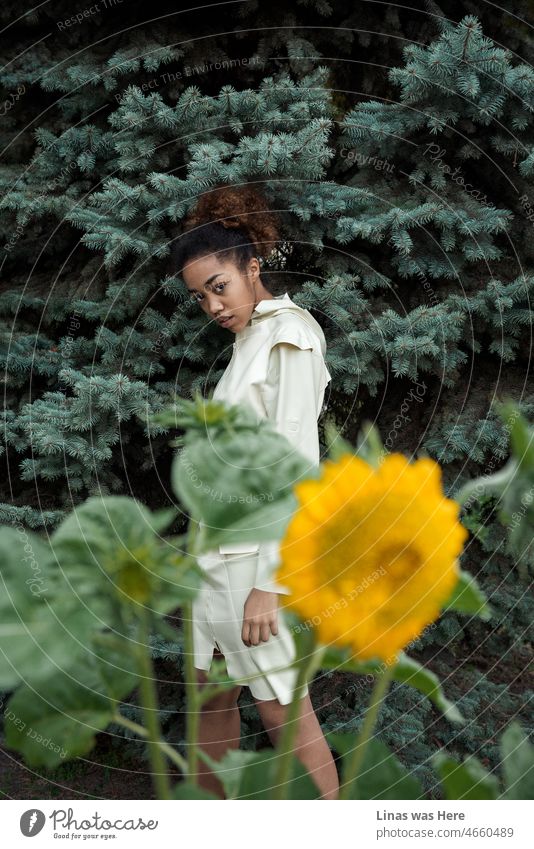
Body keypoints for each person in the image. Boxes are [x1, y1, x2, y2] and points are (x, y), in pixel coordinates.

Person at [171, 183, 339, 800]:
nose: (212, 306)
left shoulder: (288, 334)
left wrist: (271, 583)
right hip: (214, 557)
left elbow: (295, 463)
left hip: (255, 563)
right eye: (199, 297)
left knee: (279, 705)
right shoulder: (249, 342)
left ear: (252, 268)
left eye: (220, 286)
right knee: (211, 695)